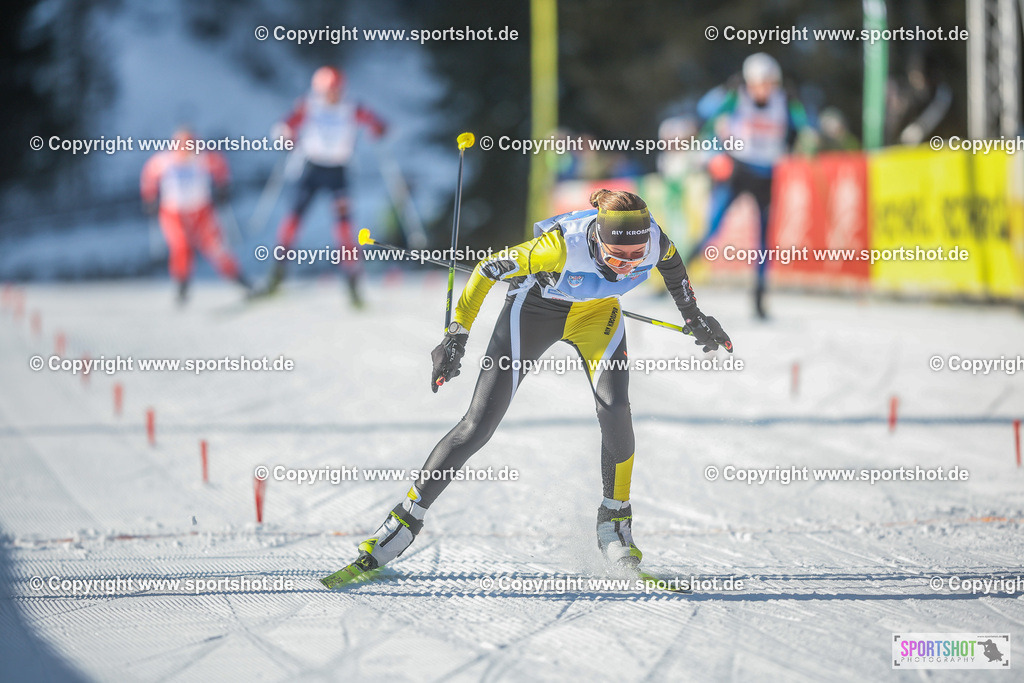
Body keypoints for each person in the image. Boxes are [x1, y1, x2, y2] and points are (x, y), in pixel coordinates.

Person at [345, 189, 732, 577]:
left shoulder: (653, 239)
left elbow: (673, 266)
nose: (629, 267)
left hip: (597, 316)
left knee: (615, 409)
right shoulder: (558, 248)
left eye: (636, 257)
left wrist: (694, 316)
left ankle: (614, 519)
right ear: (597, 240)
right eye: (617, 257)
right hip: (535, 310)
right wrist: (456, 335)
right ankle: (405, 520)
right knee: (479, 424)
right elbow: (485, 269)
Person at [687, 53, 815, 319]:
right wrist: (714, 156)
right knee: (714, 228)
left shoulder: (786, 100)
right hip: (736, 170)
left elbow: (806, 126)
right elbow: (703, 117)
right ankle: (676, 272)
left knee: (764, 240)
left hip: (766, 174)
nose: (764, 89)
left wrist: (805, 142)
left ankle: (759, 298)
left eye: (769, 83)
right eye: (758, 83)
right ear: (749, 81)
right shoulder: (734, 96)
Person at [261, 66, 387, 306]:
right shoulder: (308, 106)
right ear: (320, 89)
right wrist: (286, 136)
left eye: (338, 89)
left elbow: (376, 122)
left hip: (338, 172)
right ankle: (276, 274)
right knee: (292, 221)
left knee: (344, 229)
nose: (334, 94)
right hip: (311, 170)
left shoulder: (351, 107)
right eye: (330, 90)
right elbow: (282, 127)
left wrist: (378, 129)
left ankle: (352, 283)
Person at [140, 128, 251, 303]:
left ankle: (240, 279)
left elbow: (221, 166)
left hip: (201, 211)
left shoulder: (203, 158)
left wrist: (223, 187)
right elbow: (149, 176)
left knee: (216, 247)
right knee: (181, 247)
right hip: (173, 213)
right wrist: (150, 198)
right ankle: (182, 287)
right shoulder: (164, 161)